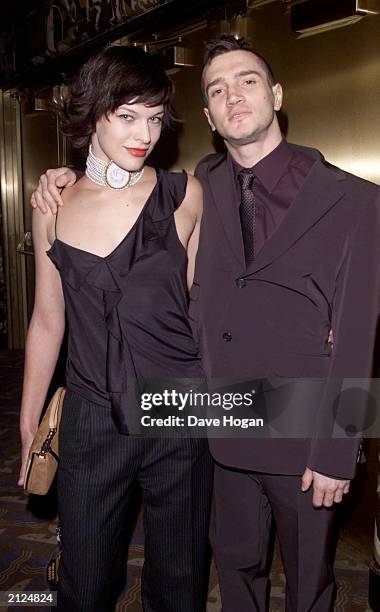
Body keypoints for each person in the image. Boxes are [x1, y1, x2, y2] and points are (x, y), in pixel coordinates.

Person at [31, 35, 380, 611]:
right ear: (210, 117)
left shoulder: (356, 201)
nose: (233, 95)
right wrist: (62, 177)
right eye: (216, 89)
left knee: (310, 589)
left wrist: (339, 451)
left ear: (277, 94)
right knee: (232, 576)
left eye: (247, 81)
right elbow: (119, 193)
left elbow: (360, 334)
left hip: (305, 429)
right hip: (219, 424)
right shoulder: (201, 186)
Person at [20, 45, 213, 612]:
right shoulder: (52, 204)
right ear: (92, 116)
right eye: (126, 116)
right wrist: (30, 423)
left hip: (177, 414)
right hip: (91, 417)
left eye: (154, 118)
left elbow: (195, 315)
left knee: (179, 582)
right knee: (83, 583)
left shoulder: (185, 198)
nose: (144, 133)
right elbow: (47, 320)